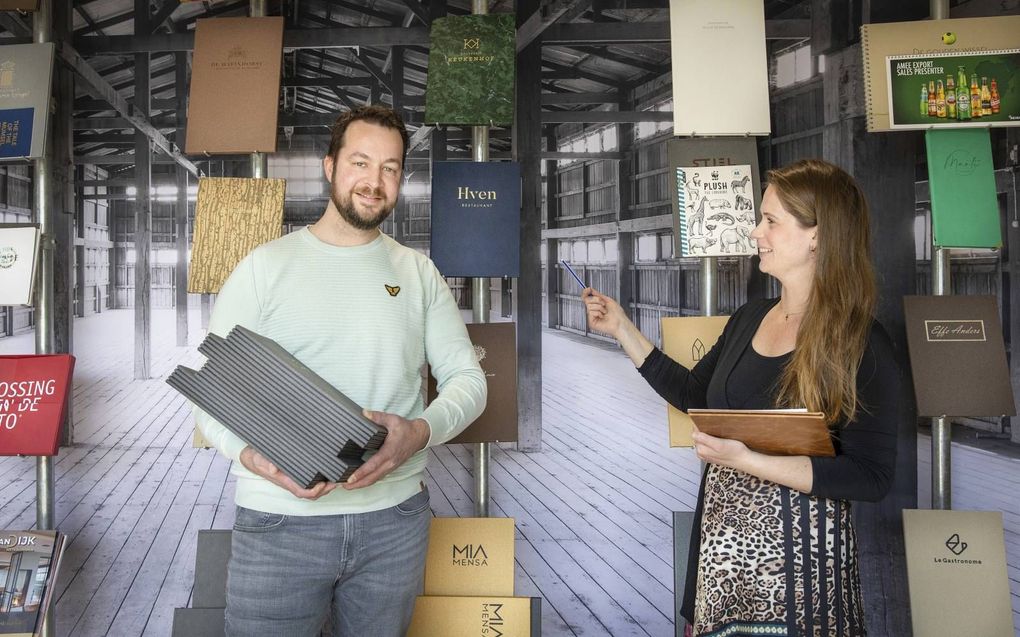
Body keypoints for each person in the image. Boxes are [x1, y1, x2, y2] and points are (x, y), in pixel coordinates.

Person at [194, 105, 487, 637]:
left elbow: (469, 380)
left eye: (391, 168)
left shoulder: (418, 273)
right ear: (329, 168)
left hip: (394, 522)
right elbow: (210, 393)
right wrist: (252, 456)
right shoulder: (264, 268)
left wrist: (418, 433)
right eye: (360, 162)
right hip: (279, 521)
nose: (375, 182)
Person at [582, 159, 901, 636]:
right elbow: (695, 395)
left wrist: (746, 459)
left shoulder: (861, 340)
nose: (755, 233)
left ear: (817, 235)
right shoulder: (749, 317)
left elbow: (872, 476)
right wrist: (623, 328)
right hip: (721, 559)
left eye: (771, 220)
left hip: (802, 579)